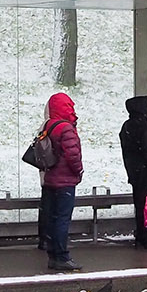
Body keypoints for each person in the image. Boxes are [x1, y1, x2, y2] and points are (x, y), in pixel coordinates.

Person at [39, 92, 84, 271]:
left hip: (50, 179)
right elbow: (73, 154)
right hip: (64, 181)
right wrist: (79, 170)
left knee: (52, 218)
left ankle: (53, 254)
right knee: (62, 219)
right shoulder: (66, 128)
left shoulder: (48, 126)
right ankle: (62, 256)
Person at [119, 95, 147, 249]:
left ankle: (142, 234)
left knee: (140, 205)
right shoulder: (144, 127)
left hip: (135, 171)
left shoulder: (127, 126)